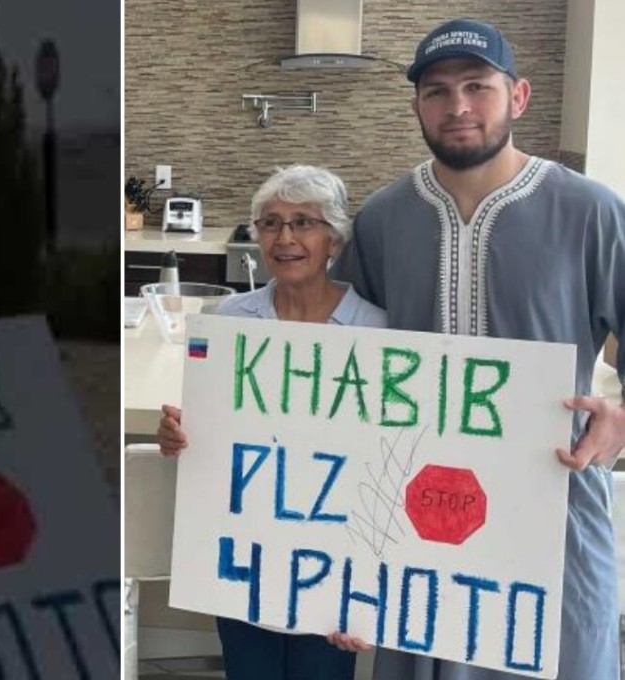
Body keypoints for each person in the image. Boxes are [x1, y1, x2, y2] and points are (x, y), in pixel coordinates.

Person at [326, 17, 625, 680]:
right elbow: (335, 371)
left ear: (516, 97)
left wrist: (621, 417)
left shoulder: (591, 212)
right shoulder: (382, 220)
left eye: (476, 86)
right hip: (411, 511)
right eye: (436, 91)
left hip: (554, 504)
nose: (457, 106)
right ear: (416, 108)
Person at [157, 164, 386, 680]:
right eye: (270, 223)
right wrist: (175, 433)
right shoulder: (227, 320)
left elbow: (389, 462)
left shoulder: (377, 330)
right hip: (244, 554)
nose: (285, 238)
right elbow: (206, 427)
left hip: (335, 563)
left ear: (334, 239)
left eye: (304, 222)